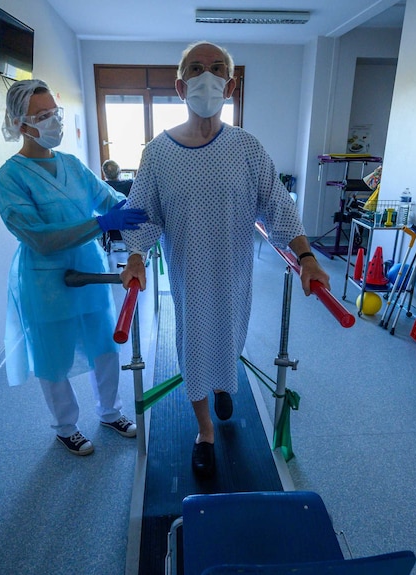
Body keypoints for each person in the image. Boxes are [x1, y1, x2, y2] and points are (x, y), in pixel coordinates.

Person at [120, 42, 331, 476]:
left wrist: (306, 257)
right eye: (196, 69)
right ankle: (205, 432)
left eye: (217, 69)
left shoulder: (248, 148)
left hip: (235, 277)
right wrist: (136, 256)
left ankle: (223, 384)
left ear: (230, 85)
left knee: (229, 339)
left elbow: (279, 206)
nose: (206, 76)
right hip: (188, 278)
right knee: (193, 348)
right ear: (180, 86)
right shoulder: (157, 154)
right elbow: (140, 214)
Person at [0, 79, 148, 456]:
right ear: (19, 123)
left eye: (55, 113)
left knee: (105, 347)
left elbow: (108, 199)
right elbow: (40, 238)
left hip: (89, 269)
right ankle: (66, 426)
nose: (53, 122)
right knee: (53, 357)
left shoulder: (72, 165)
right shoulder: (9, 176)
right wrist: (100, 224)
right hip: (46, 280)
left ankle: (110, 412)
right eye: (42, 116)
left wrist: (135, 208)